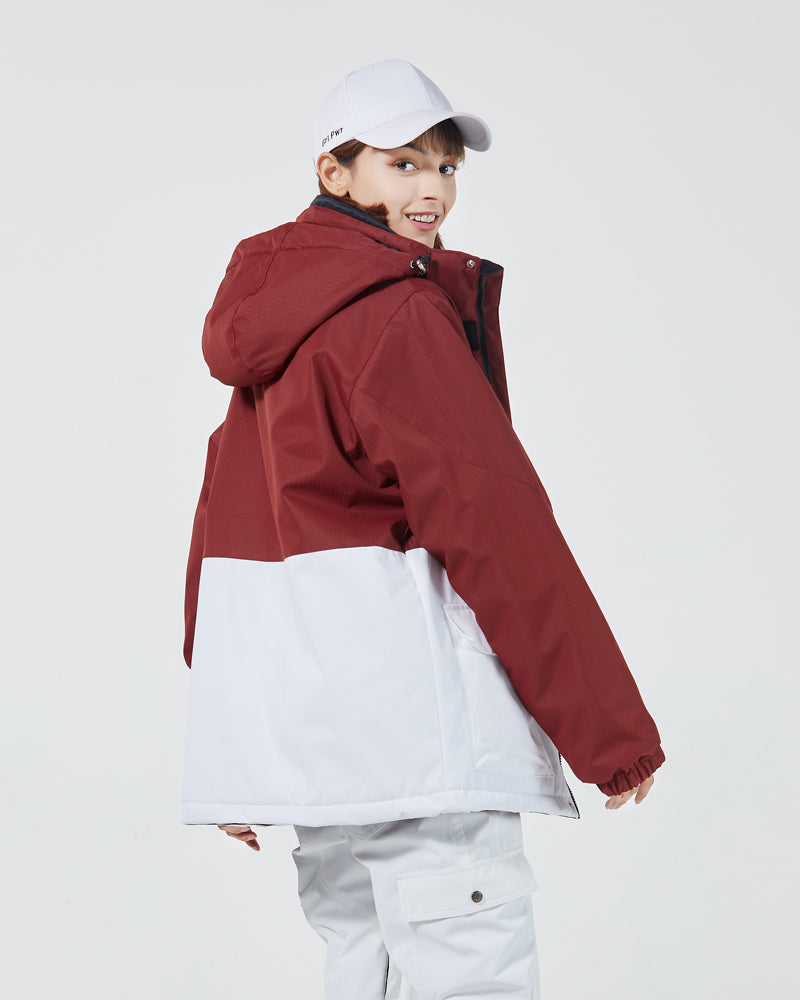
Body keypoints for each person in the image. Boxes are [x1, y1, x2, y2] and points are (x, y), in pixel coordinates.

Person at [181, 58, 665, 1000]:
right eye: (401, 164)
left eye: (445, 166)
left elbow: (222, 537)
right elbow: (497, 525)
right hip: (420, 742)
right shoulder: (395, 314)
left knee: (364, 972)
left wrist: (235, 753)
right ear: (335, 172)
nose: (431, 189)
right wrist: (609, 730)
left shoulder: (273, 329)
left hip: (321, 757)